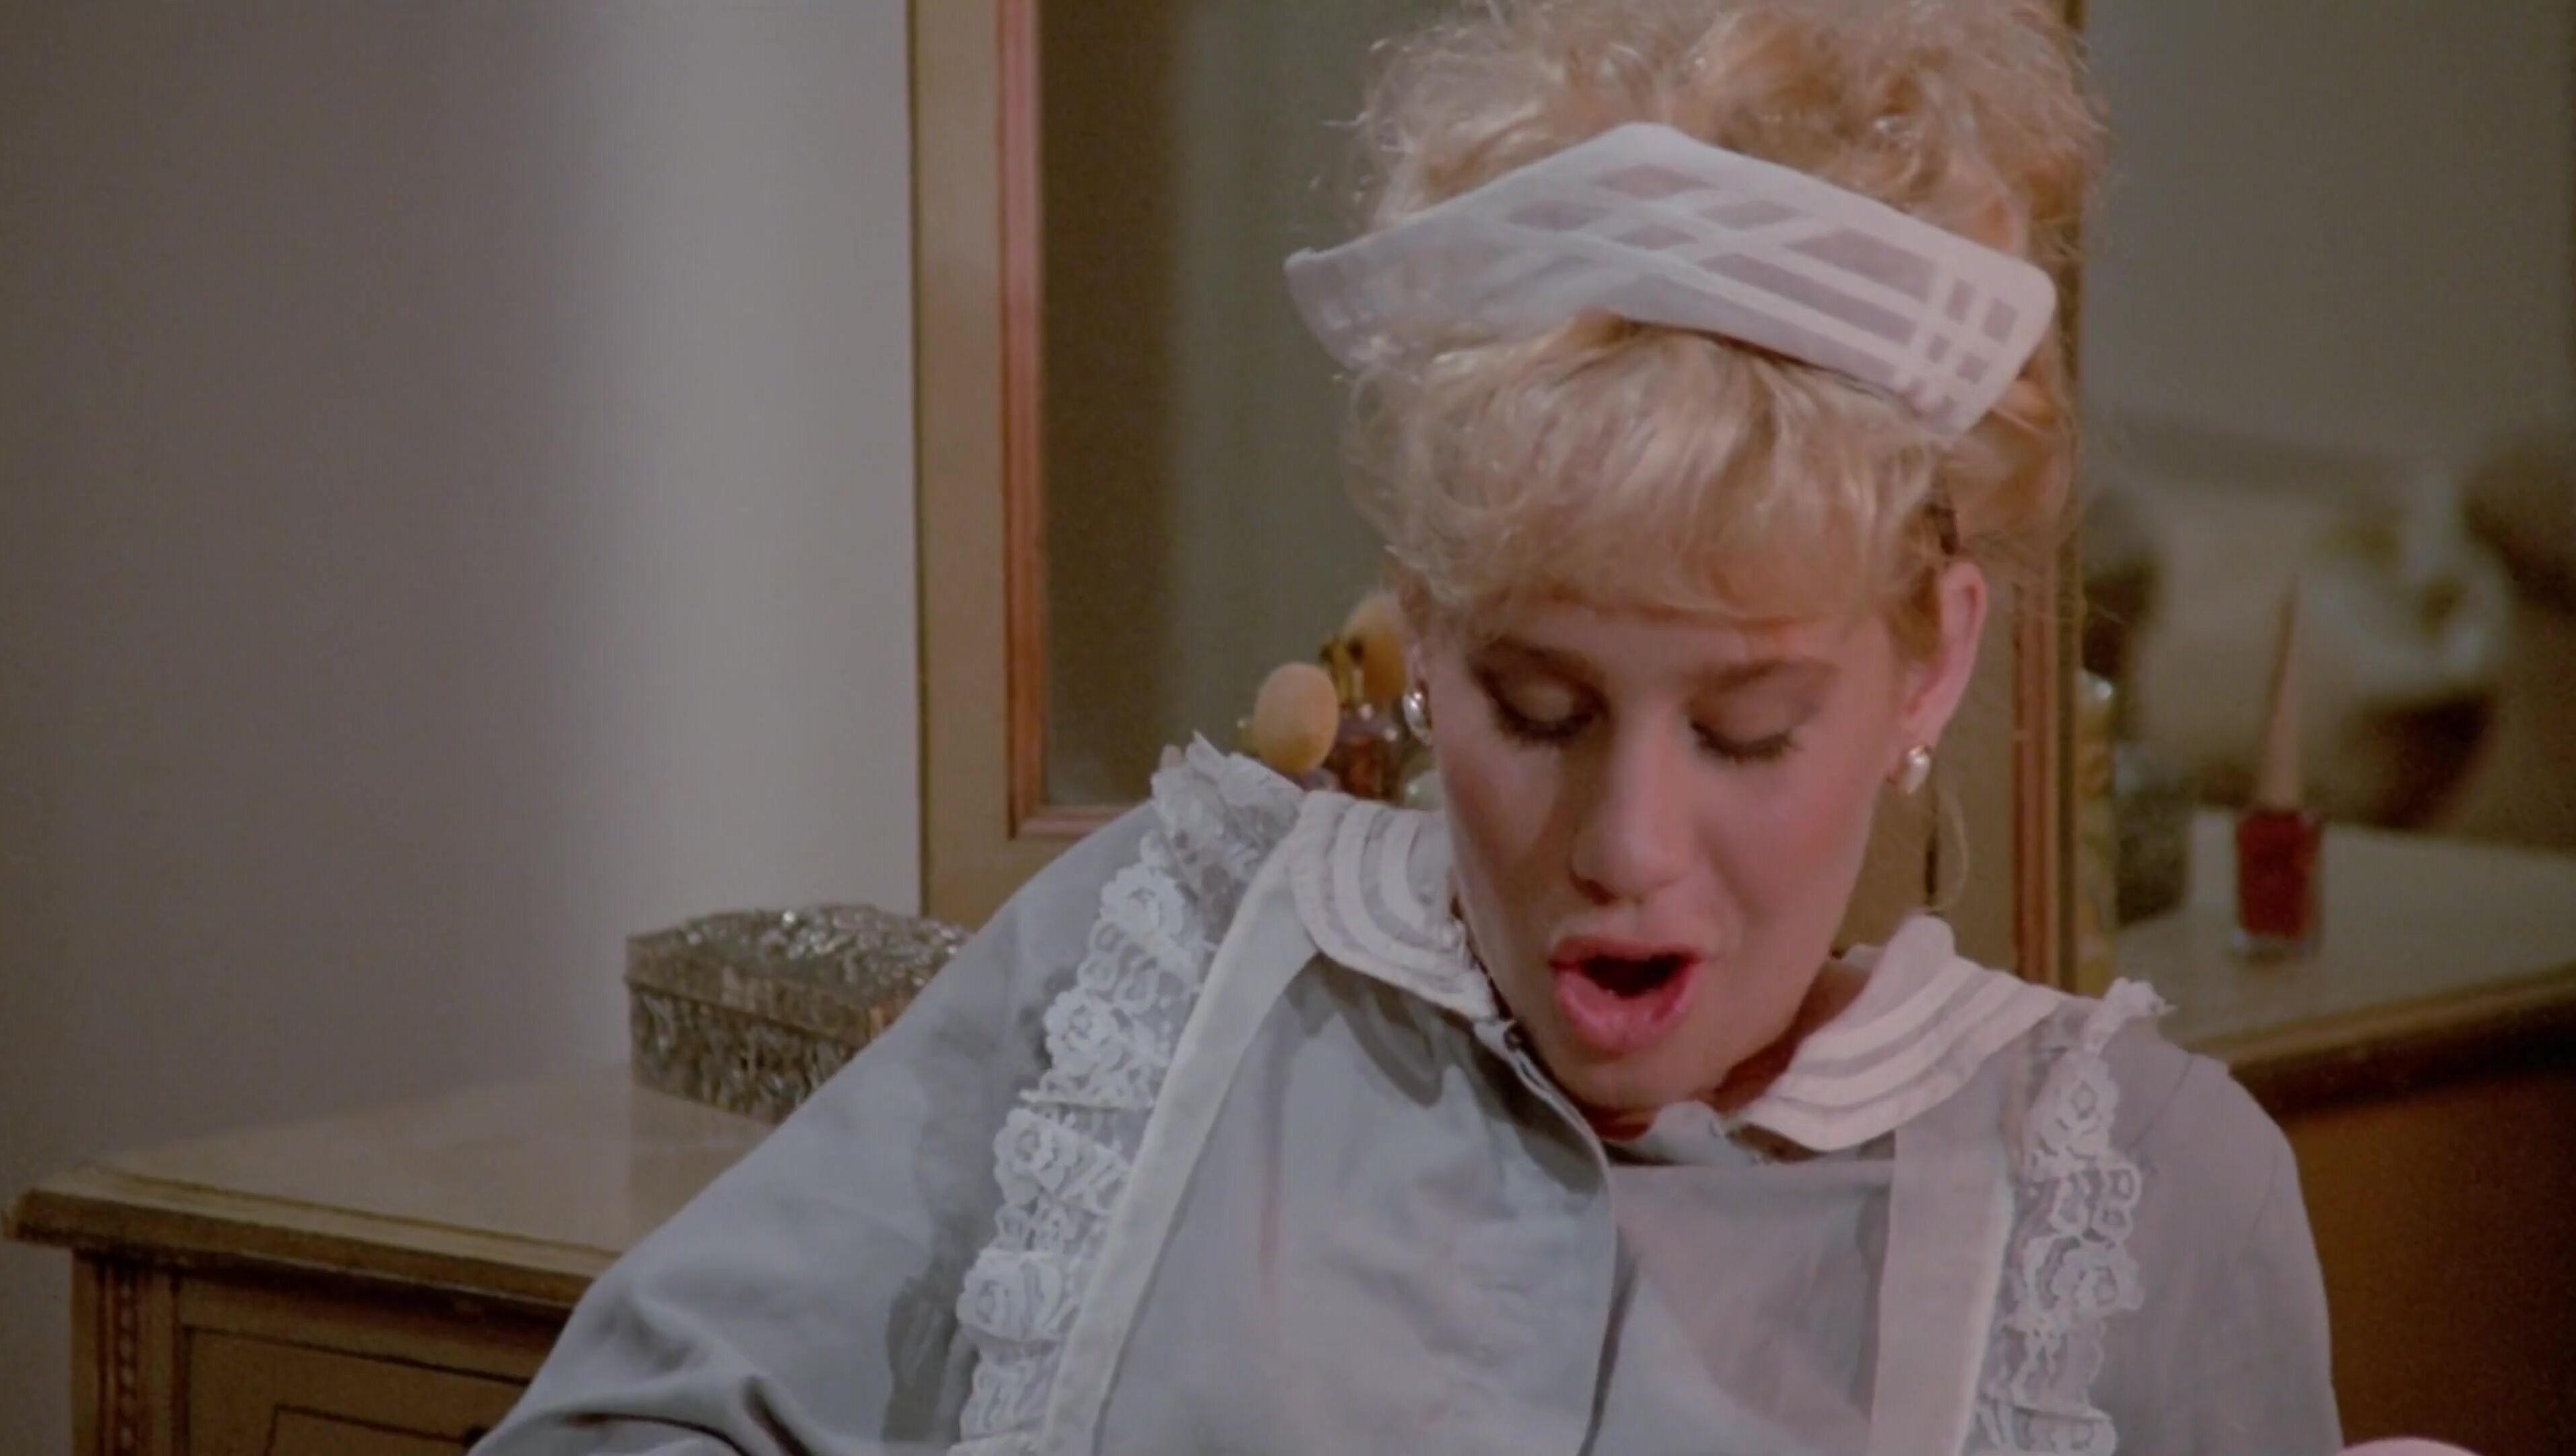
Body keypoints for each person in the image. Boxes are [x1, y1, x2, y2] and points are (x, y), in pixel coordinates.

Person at [477, 1, 2341, 1451]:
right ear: (1425, 631)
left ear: (1928, 668)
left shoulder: (2137, 1202)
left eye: (1749, 729)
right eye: (1539, 707)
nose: (1627, 844)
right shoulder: (1155, 982)